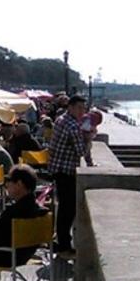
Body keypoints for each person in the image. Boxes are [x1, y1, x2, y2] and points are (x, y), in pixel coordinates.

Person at [49, 95, 92, 255]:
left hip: (57, 168)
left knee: (64, 209)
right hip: (66, 171)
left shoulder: (61, 119)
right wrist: (89, 139)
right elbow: (81, 151)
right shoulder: (73, 125)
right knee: (68, 210)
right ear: (71, 107)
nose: (82, 111)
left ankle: (61, 242)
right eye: (80, 108)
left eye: (84, 108)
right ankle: (64, 246)